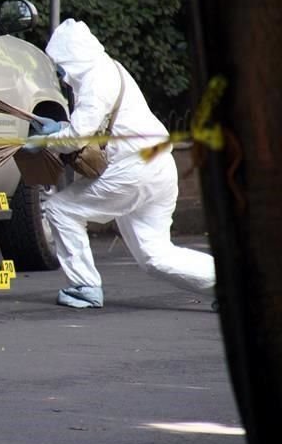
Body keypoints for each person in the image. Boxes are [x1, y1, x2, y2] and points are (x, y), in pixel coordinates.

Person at [27, 18, 216, 309]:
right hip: (158, 167)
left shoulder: (94, 82)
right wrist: (61, 129)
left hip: (133, 170)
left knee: (60, 209)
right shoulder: (108, 69)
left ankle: (84, 286)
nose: (62, 75)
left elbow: (78, 136)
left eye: (61, 65)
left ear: (72, 58)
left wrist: (46, 140)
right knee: (156, 256)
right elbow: (91, 127)